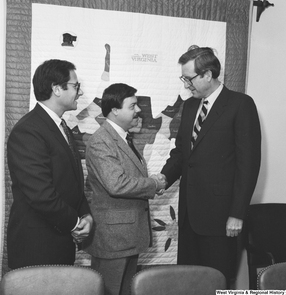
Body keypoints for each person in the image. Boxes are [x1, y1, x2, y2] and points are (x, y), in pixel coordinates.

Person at [159, 47, 261, 286]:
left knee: (217, 281)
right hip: (188, 216)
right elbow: (182, 153)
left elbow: (249, 165)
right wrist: (163, 179)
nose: (186, 85)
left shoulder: (240, 104)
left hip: (221, 218)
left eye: (189, 78)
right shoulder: (191, 106)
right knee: (188, 283)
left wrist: (236, 213)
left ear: (207, 74)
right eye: (183, 79)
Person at [6, 59, 93, 269]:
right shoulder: (28, 130)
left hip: (61, 242)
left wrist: (86, 215)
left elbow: (72, 182)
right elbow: (40, 194)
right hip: (37, 247)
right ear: (56, 89)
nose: (79, 93)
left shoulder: (62, 127)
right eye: (76, 86)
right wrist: (75, 223)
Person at [83, 83, 166, 295]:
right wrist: (154, 184)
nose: (138, 110)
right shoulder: (101, 141)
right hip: (113, 240)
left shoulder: (123, 138)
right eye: (133, 105)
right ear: (115, 110)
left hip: (126, 237)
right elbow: (117, 184)